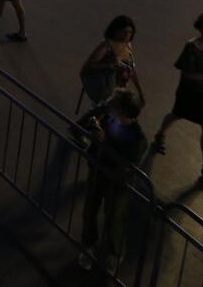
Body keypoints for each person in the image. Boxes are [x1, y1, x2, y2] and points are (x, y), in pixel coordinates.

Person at [152, 13, 203, 193]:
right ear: (200, 28)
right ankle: (160, 134)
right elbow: (187, 73)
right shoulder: (191, 47)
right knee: (177, 114)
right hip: (190, 92)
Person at [78, 89, 147, 271]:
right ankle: (88, 246)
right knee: (90, 210)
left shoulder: (138, 139)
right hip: (98, 173)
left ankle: (115, 253)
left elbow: (126, 165)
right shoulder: (108, 119)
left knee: (115, 218)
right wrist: (93, 127)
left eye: (113, 104)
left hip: (118, 183)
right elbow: (86, 130)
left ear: (124, 112)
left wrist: (103, 141)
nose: (109, 105)